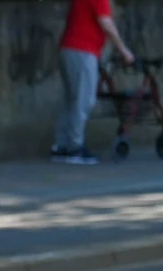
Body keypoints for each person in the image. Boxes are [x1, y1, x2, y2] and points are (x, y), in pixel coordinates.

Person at [51, 0, 135, 164]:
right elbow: (106, 23)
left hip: (69, 48)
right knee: (84, 100)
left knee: (72, 101)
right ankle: (74, 147)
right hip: (83, 50)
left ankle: (61, 146)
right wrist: (124, 50)